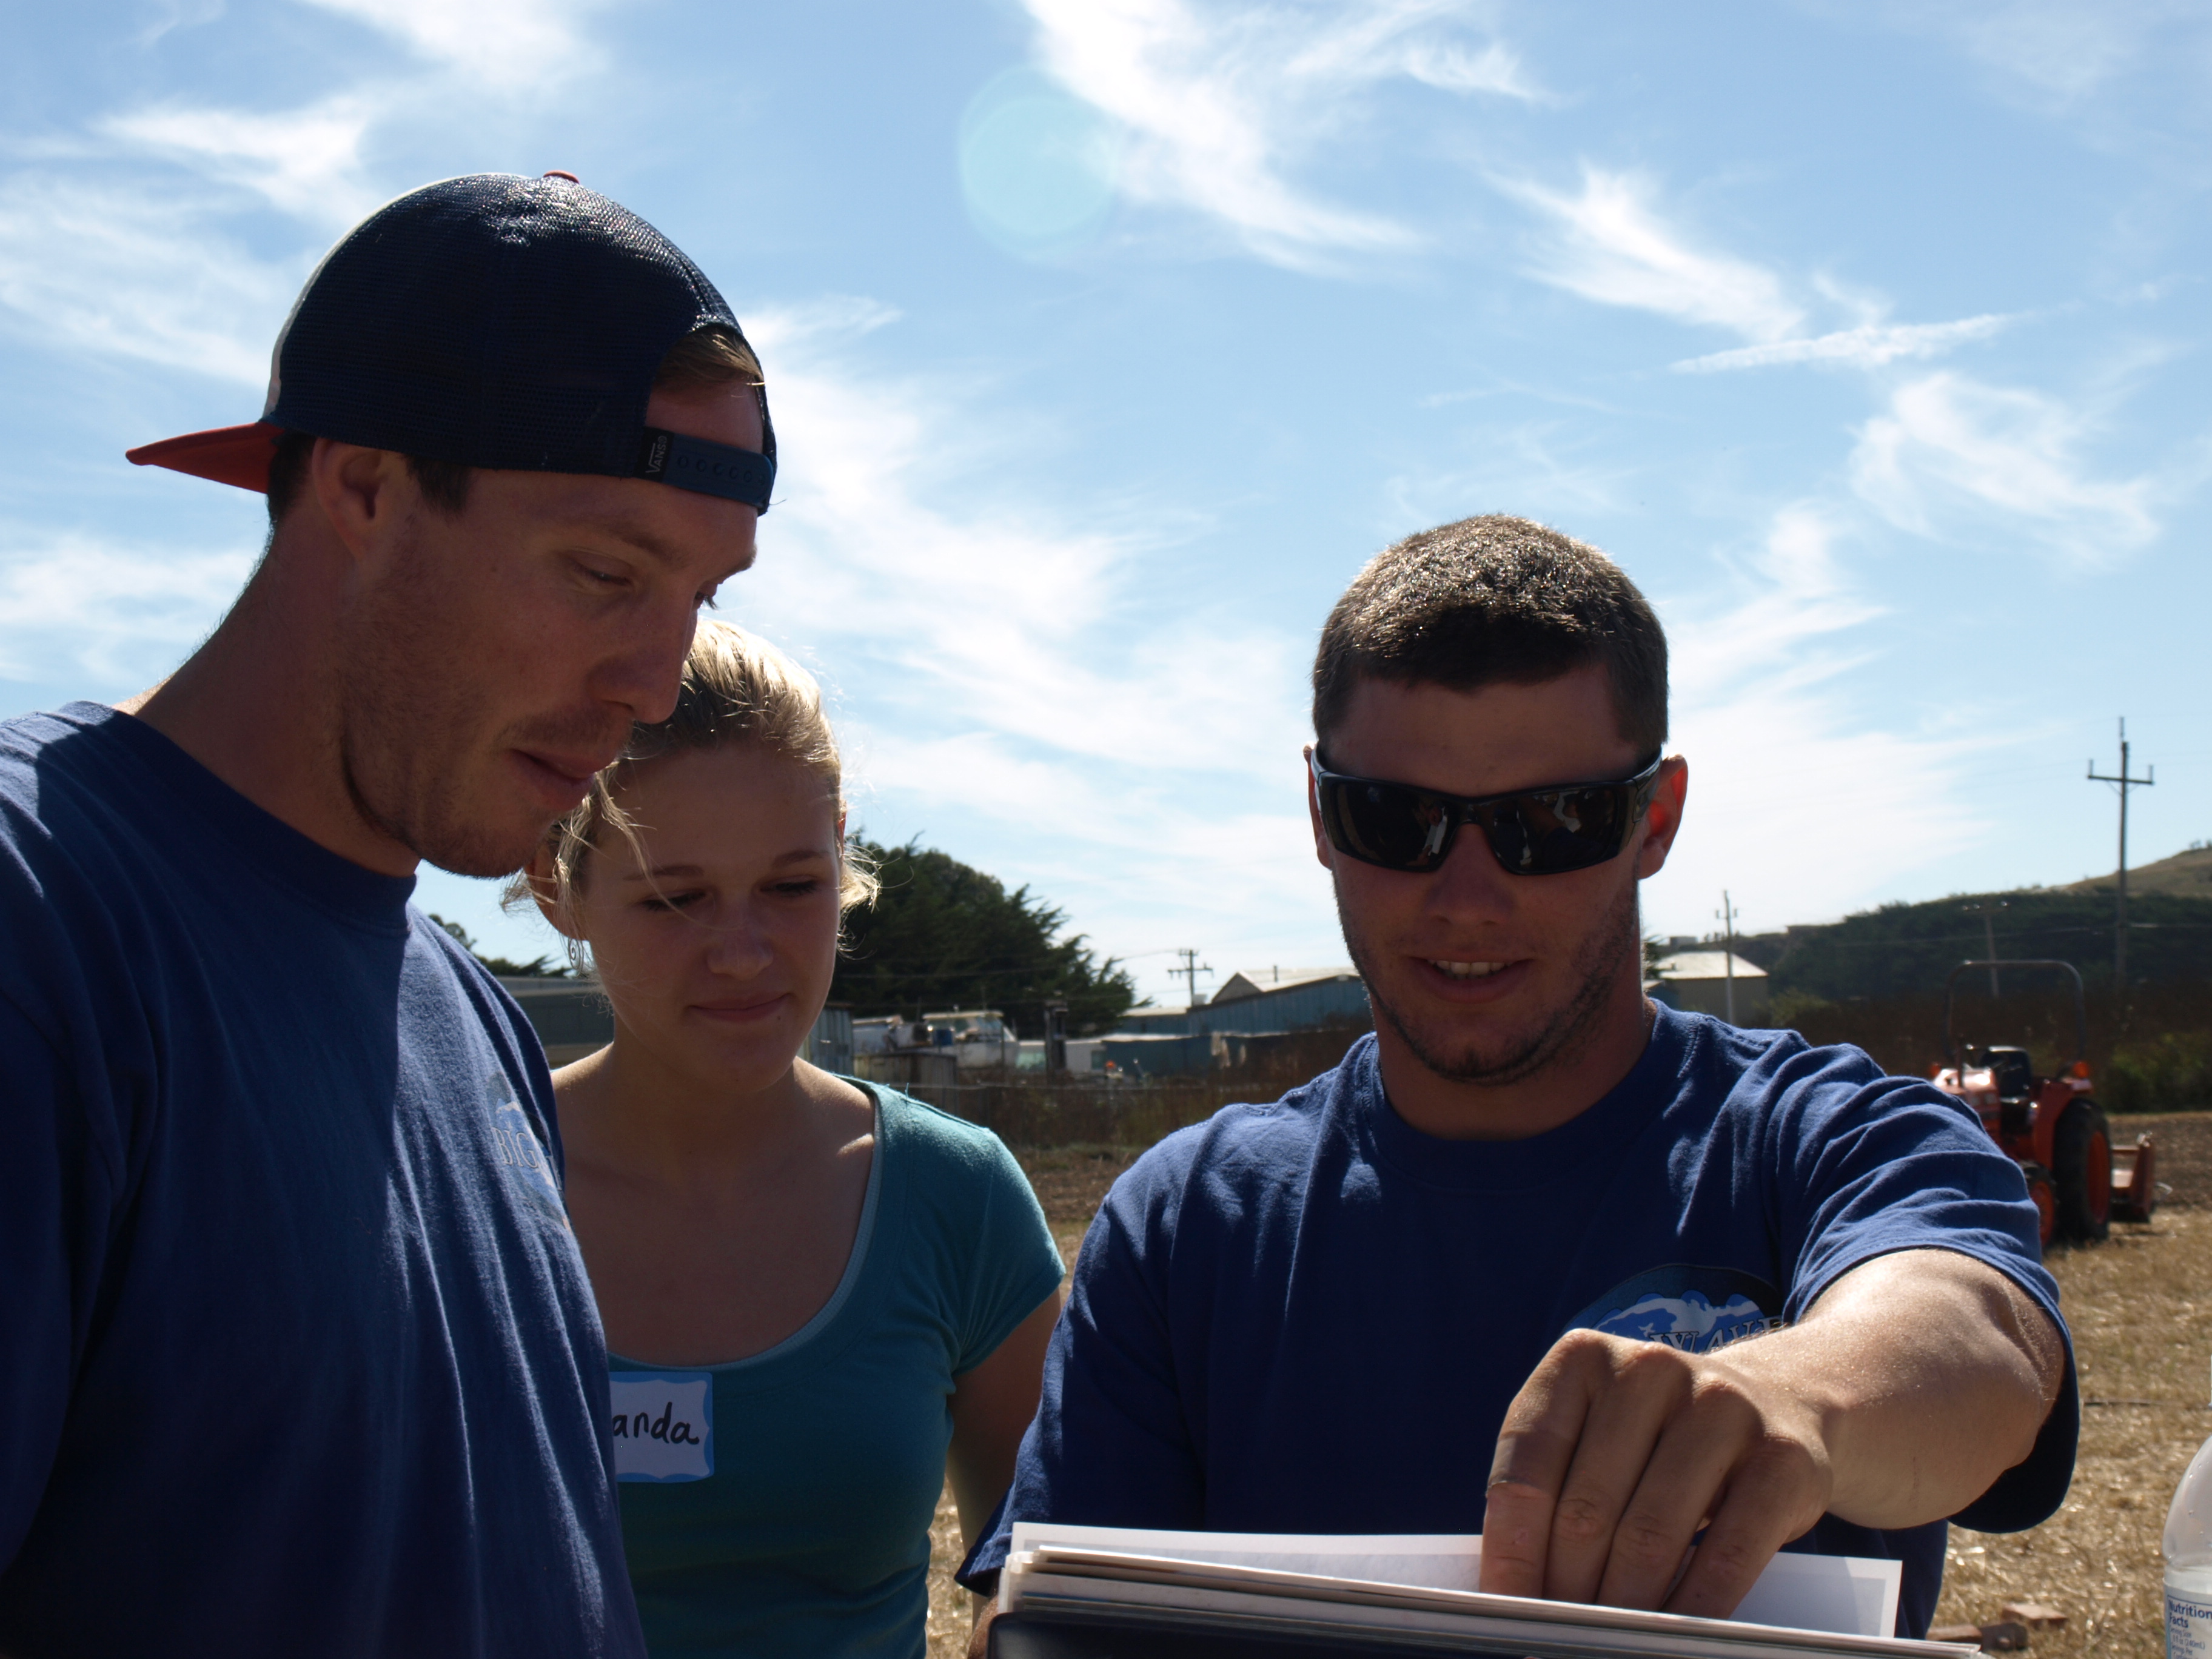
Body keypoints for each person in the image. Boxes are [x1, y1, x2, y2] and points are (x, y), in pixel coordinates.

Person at [962, 514, 2075, 1643]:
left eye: (1551, 822)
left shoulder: (1826, 1138)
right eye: (1396, 819)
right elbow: (1056, 1620)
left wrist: (1799, 1398)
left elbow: (1980, 1342)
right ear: (1320, 815)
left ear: (1656, 819)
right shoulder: (1189, 1225)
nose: (1467, 899)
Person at [0, 173, 777, 1654]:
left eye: (703, 598)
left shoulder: (468, 1014)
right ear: (365, 489)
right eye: (604, 572)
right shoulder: (45, 927)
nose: (655, 684)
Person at [522, 620, 1064, 1658]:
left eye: (790, 886)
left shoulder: (956, 1195)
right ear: (558, 886)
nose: (741, 954)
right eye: (676, 897)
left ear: (841, 853)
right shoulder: (470, 1187)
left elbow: (1036, 1582)